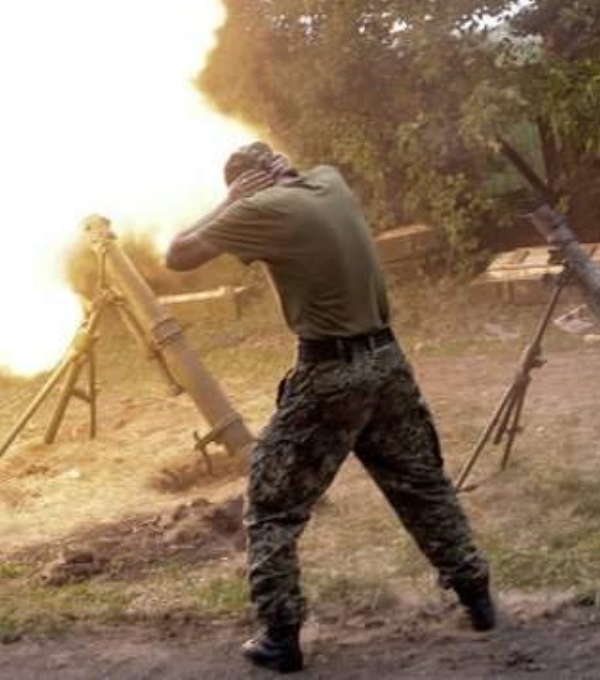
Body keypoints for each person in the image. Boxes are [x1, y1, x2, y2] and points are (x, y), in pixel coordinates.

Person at [165, 141, 494, 673]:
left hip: (330, 374)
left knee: (271, 505)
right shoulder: (330, 181)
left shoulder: (257, 208)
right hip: (387, 362)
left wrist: (227, 203)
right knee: (421, 485)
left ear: (246, 183)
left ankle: (280, 636)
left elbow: (178, 256)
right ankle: (478, 599)